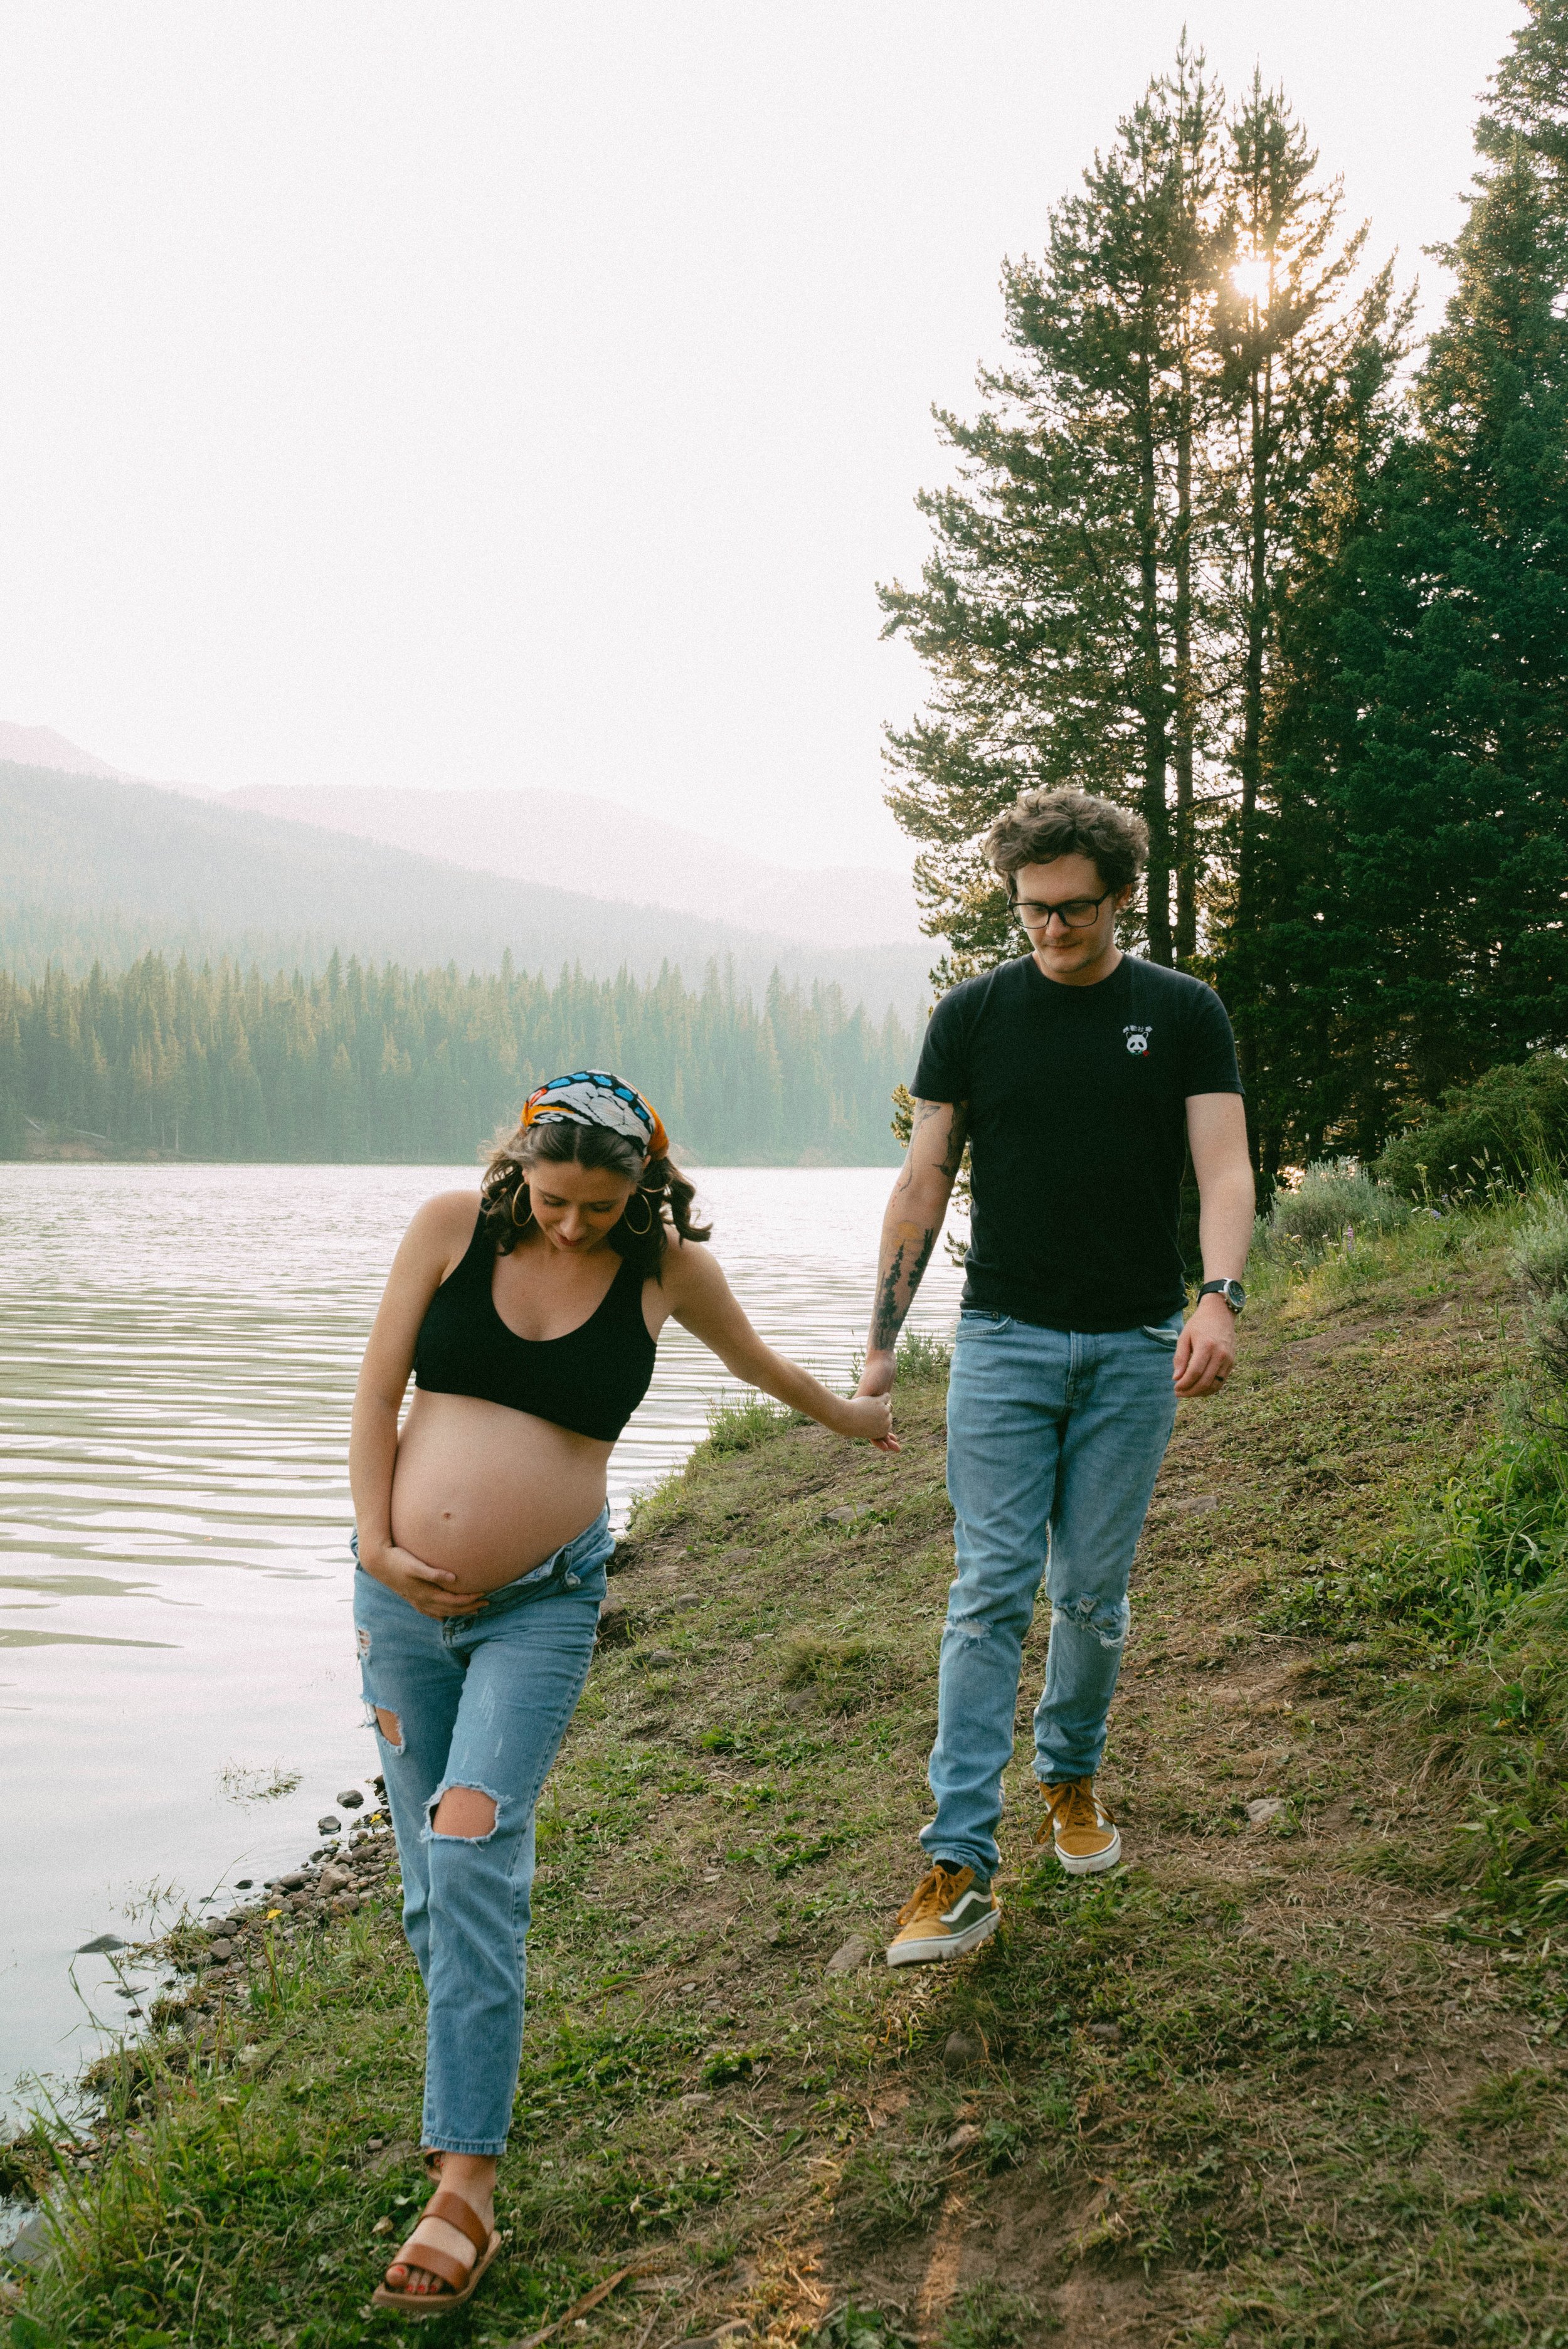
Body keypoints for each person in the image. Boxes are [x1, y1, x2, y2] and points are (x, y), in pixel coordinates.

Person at [350, 1069, 893, 2311]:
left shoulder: (663, 1271)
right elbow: (380, 1394)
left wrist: (851, 1416)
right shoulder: (448, 1228)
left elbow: (759, 1367)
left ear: (641, 1184)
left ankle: (466, 2191)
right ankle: (455, 2126)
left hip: (541, 1603)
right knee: (432, 1881)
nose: (570, 1226)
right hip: (395, 1604)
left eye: (598, 1206)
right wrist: (376, 1542)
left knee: (473, 1841)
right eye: (552, 1201)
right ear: (517, 1169)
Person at [855, 788, 1254, 1966]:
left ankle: (1069, 1777)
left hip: (1135, 1344)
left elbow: (1224, 1168)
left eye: (1073, 909)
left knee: (1089, 1590)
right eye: (1031, 909)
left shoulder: (1181, 1012)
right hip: (1004, 1340)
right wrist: (883, 1339)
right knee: (988, 1590)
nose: (1048, 929)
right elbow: (924, 1179)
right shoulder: (973, 1017)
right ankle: (959, 1859)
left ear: (1122, 896)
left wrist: (1219, 1294)